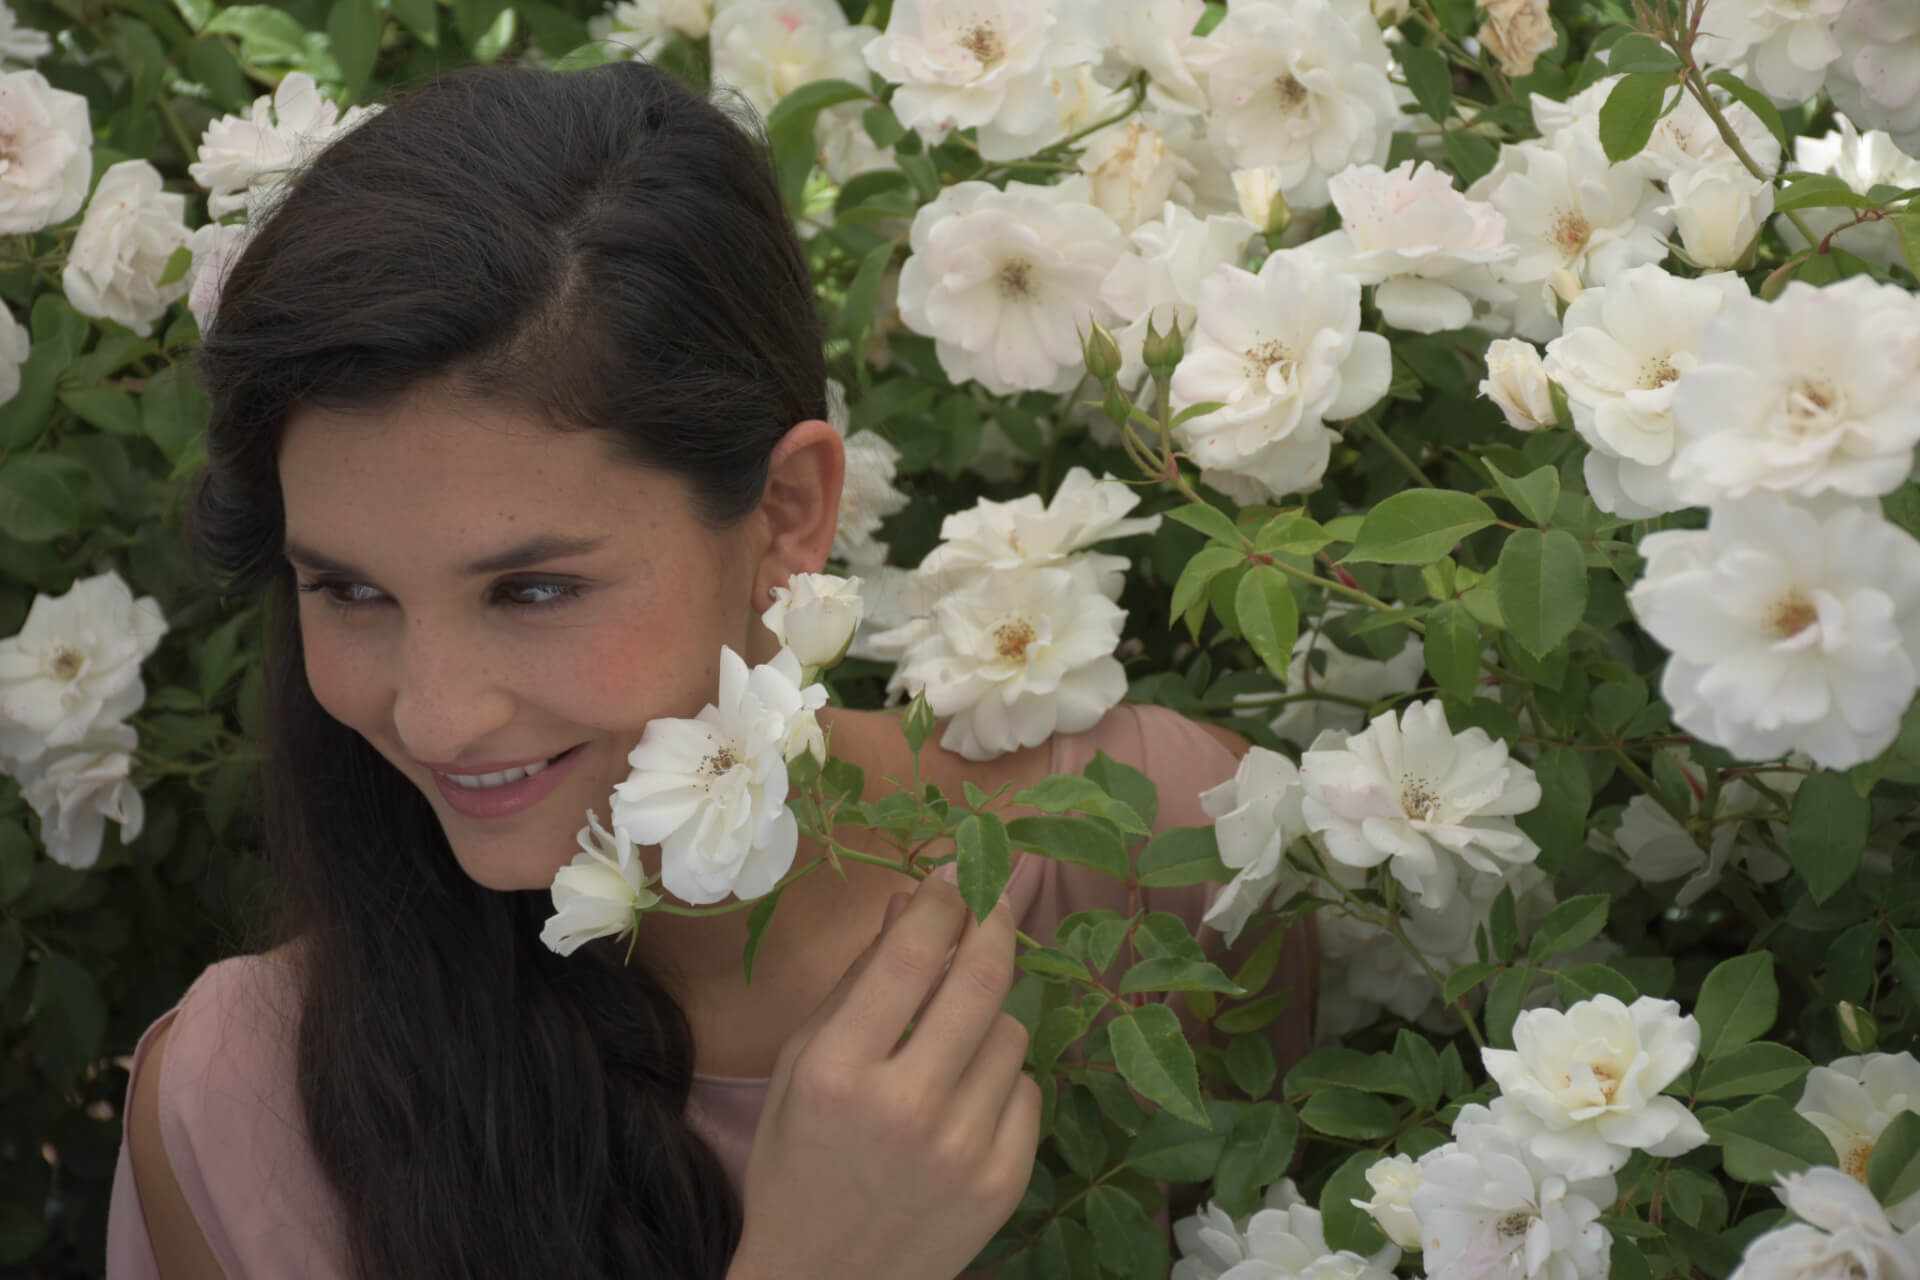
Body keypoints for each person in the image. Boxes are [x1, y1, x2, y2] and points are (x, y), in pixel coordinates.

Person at [105, 58, 1317, 1278]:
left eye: (534, 590)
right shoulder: (243, 1109)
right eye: (349, 590)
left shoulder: (1166, 845)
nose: (436, 716)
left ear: (788, 513)